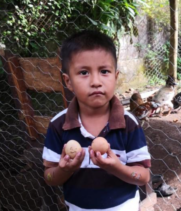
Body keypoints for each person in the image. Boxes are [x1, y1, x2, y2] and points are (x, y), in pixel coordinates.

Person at [42, 30, 151, 211]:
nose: (95, 81)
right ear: (68, 82)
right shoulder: (58, 125)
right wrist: (65, 169)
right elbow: (49, 177)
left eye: (104, 71)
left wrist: (117, 168)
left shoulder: (129, 124)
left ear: (115, 77)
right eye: (84, 72)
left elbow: (144, 176)